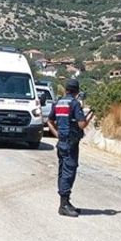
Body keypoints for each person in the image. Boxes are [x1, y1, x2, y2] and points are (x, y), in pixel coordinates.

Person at [46, 78, 92, 217]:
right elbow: (82, 125)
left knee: (62, 170)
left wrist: (57, 134)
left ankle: (65, 202)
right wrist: (90, 116)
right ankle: (64, 204)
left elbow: (49, 121)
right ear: (77, 92)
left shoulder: (58, 103)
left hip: (62, 142)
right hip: (71, 143)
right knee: (69, 171)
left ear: (66, 90)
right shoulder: (74, 104)